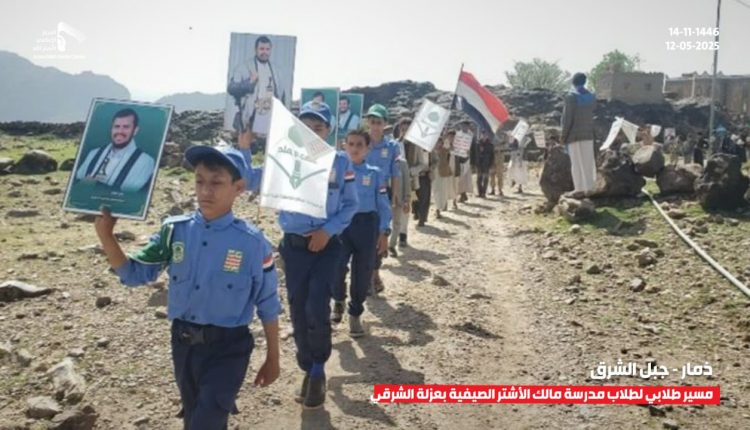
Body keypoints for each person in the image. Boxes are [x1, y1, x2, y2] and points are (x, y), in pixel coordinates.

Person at [94, 145, 281, 429]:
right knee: (193, 415)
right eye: (199, 181)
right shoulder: (174, 232)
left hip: (229, 347)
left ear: (239, 187)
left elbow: (268, 303)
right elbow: (133, 274)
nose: (205, 190)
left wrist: (273, 357)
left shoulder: (253, 243)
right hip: (183, 345)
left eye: (216, 182)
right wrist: (106, 236)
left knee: (207, 420)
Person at [240, 101, 358, 409]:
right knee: (297, 308)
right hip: (293, 248)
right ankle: (307, 366)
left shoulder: (339, 161)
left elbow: (350, 204)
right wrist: (245, 147)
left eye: (318, 128)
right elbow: (248, 180)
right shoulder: (284, 156)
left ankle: (318, 370)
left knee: (317, 305)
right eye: (305, 127)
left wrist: (327, 231)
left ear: (329, 131)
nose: (311, 133)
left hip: (326, 246)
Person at [332, 130, 391, 335]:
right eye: (351, 144)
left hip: (366, 225)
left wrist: (384, 232)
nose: (354, 148)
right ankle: (338, 300)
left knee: (362, 272)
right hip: (341, 225)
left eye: (359, 145)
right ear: (344, 146)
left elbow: (383, 204)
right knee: (336, 266)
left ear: (367, 148)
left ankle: (355, 313)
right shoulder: (335, 172)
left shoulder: (374, 173)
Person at [364, 104, 401, 294]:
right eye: (372, 122)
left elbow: (396, 173)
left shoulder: (392, 146)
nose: (375, 126)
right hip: (361, 193)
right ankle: (363, 275)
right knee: (362, 234)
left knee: (380, 233)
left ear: (385, 123)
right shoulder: (361, 142)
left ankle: (375, 272)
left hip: (383, 193)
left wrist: (394, 197)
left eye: (379, 122)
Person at [75, 108, 156, 192]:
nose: (120, 131)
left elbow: (129, 193)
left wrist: (92, 184)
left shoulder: (145, 161)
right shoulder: (93, 153)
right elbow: (77, 183)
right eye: (116, 126)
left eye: (126, 127)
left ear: (135, 130)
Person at [228, 35, 288, 149]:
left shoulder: (276, 70)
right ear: (256, 49)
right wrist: (249, 82)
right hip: (251, 112)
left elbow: (282, 95)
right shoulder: (244, 67)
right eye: (261, 49)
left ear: (270, 50)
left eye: (267, 49)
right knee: (246, 144)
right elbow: (232, 88)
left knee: (271, 147)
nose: (264, 52)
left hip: (271, 114)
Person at [561, 73, 597, 197]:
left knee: (576, 163)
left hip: (574, 135)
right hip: (588, 134)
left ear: (573, 82)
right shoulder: (592, 97)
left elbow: (567, 119)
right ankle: (590, 187)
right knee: (588, 162)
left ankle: (579, 188)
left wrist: (563, 136)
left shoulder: (571, 97)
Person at [390, 117, 413, 254]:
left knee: (404, 211)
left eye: (407, 128)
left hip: (411, 181)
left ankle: (402, 236)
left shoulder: (417, 146)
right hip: (392, 187)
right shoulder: (393, 145)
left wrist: (411, 171)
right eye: (402, 128)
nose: (404, 131)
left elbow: (423, 163)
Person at [432, 131, 457, 218]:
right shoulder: (431, 151)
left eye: (440, 143)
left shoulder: (444, 150)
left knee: (442, 190)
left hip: (443, 172)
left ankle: (441, 206)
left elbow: (452, 149)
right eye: (437, 142)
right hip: (434, 173)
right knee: (436, 191)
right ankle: (437, 208)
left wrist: (447, 138)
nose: (438, 144)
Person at [475, 132, 495, 198]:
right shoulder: (478, 144)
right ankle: (480, 192)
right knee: (479, 179)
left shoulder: (490, 145)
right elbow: (475, 154)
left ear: (487, 136)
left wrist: (491, 164)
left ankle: (484, 192)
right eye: (482, 135)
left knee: (485, 179)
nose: (483, 136)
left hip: (486, 164)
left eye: (485, 135)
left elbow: (492, 156)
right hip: (479, 164)